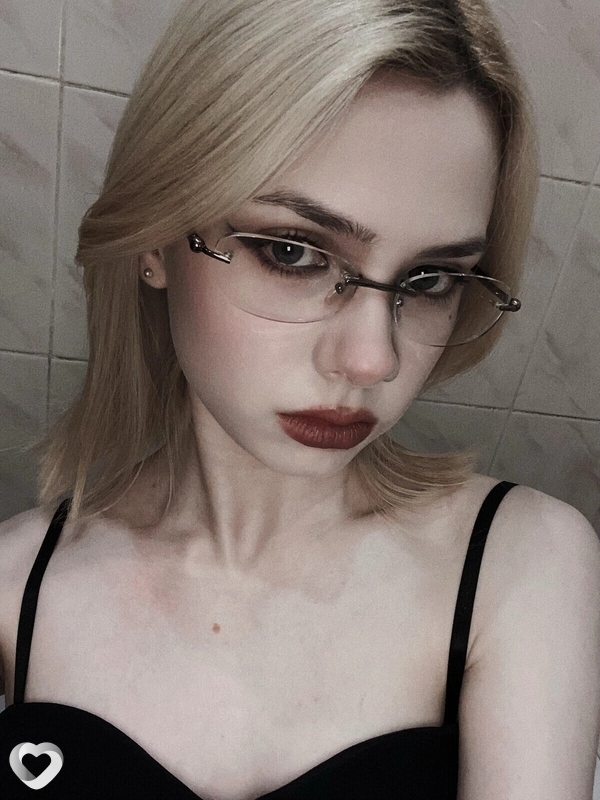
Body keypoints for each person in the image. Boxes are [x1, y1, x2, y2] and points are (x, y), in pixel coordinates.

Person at [1, 0, 599, 798]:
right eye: (292, 252)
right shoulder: (15, 584)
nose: (372, 359)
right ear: (155, 239)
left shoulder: (522, 563)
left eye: (430, 280)